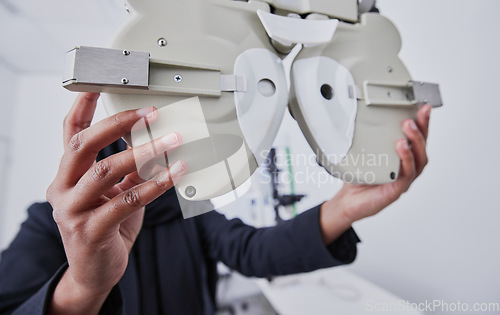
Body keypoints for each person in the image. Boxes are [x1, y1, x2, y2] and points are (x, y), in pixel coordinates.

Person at [0, 93, 432, 314]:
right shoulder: (52, 225)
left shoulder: (189, 213)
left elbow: (253, 251)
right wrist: (84, 286)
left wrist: (345, 207)